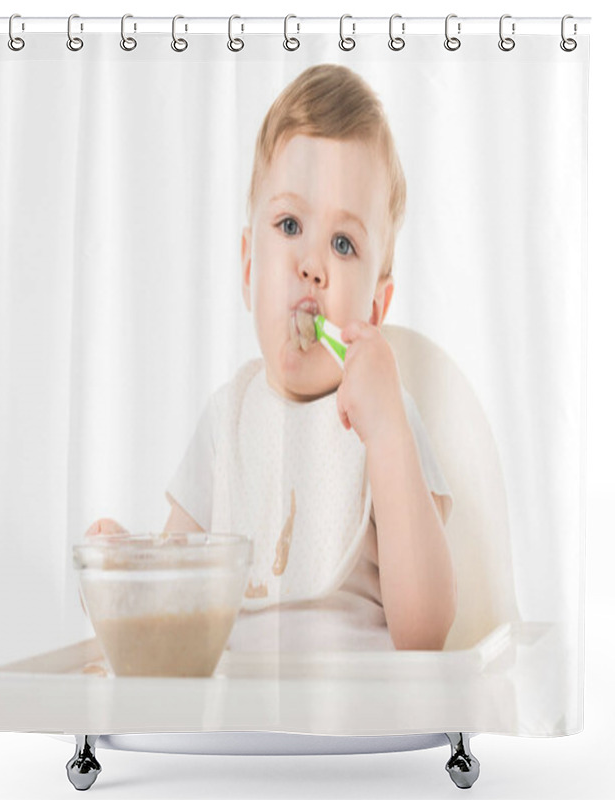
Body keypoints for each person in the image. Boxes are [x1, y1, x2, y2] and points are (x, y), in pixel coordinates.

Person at [86, 64, 456, 652]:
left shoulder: (388, 417)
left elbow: (427, 631)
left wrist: (386, 430)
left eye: (343, 243)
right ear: (249, 267)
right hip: (237, 725)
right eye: (289, 225)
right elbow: (175, 606)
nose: (312, 264)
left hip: (357, 720)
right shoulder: (225, 422)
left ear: (376, 307)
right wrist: (130, 574)